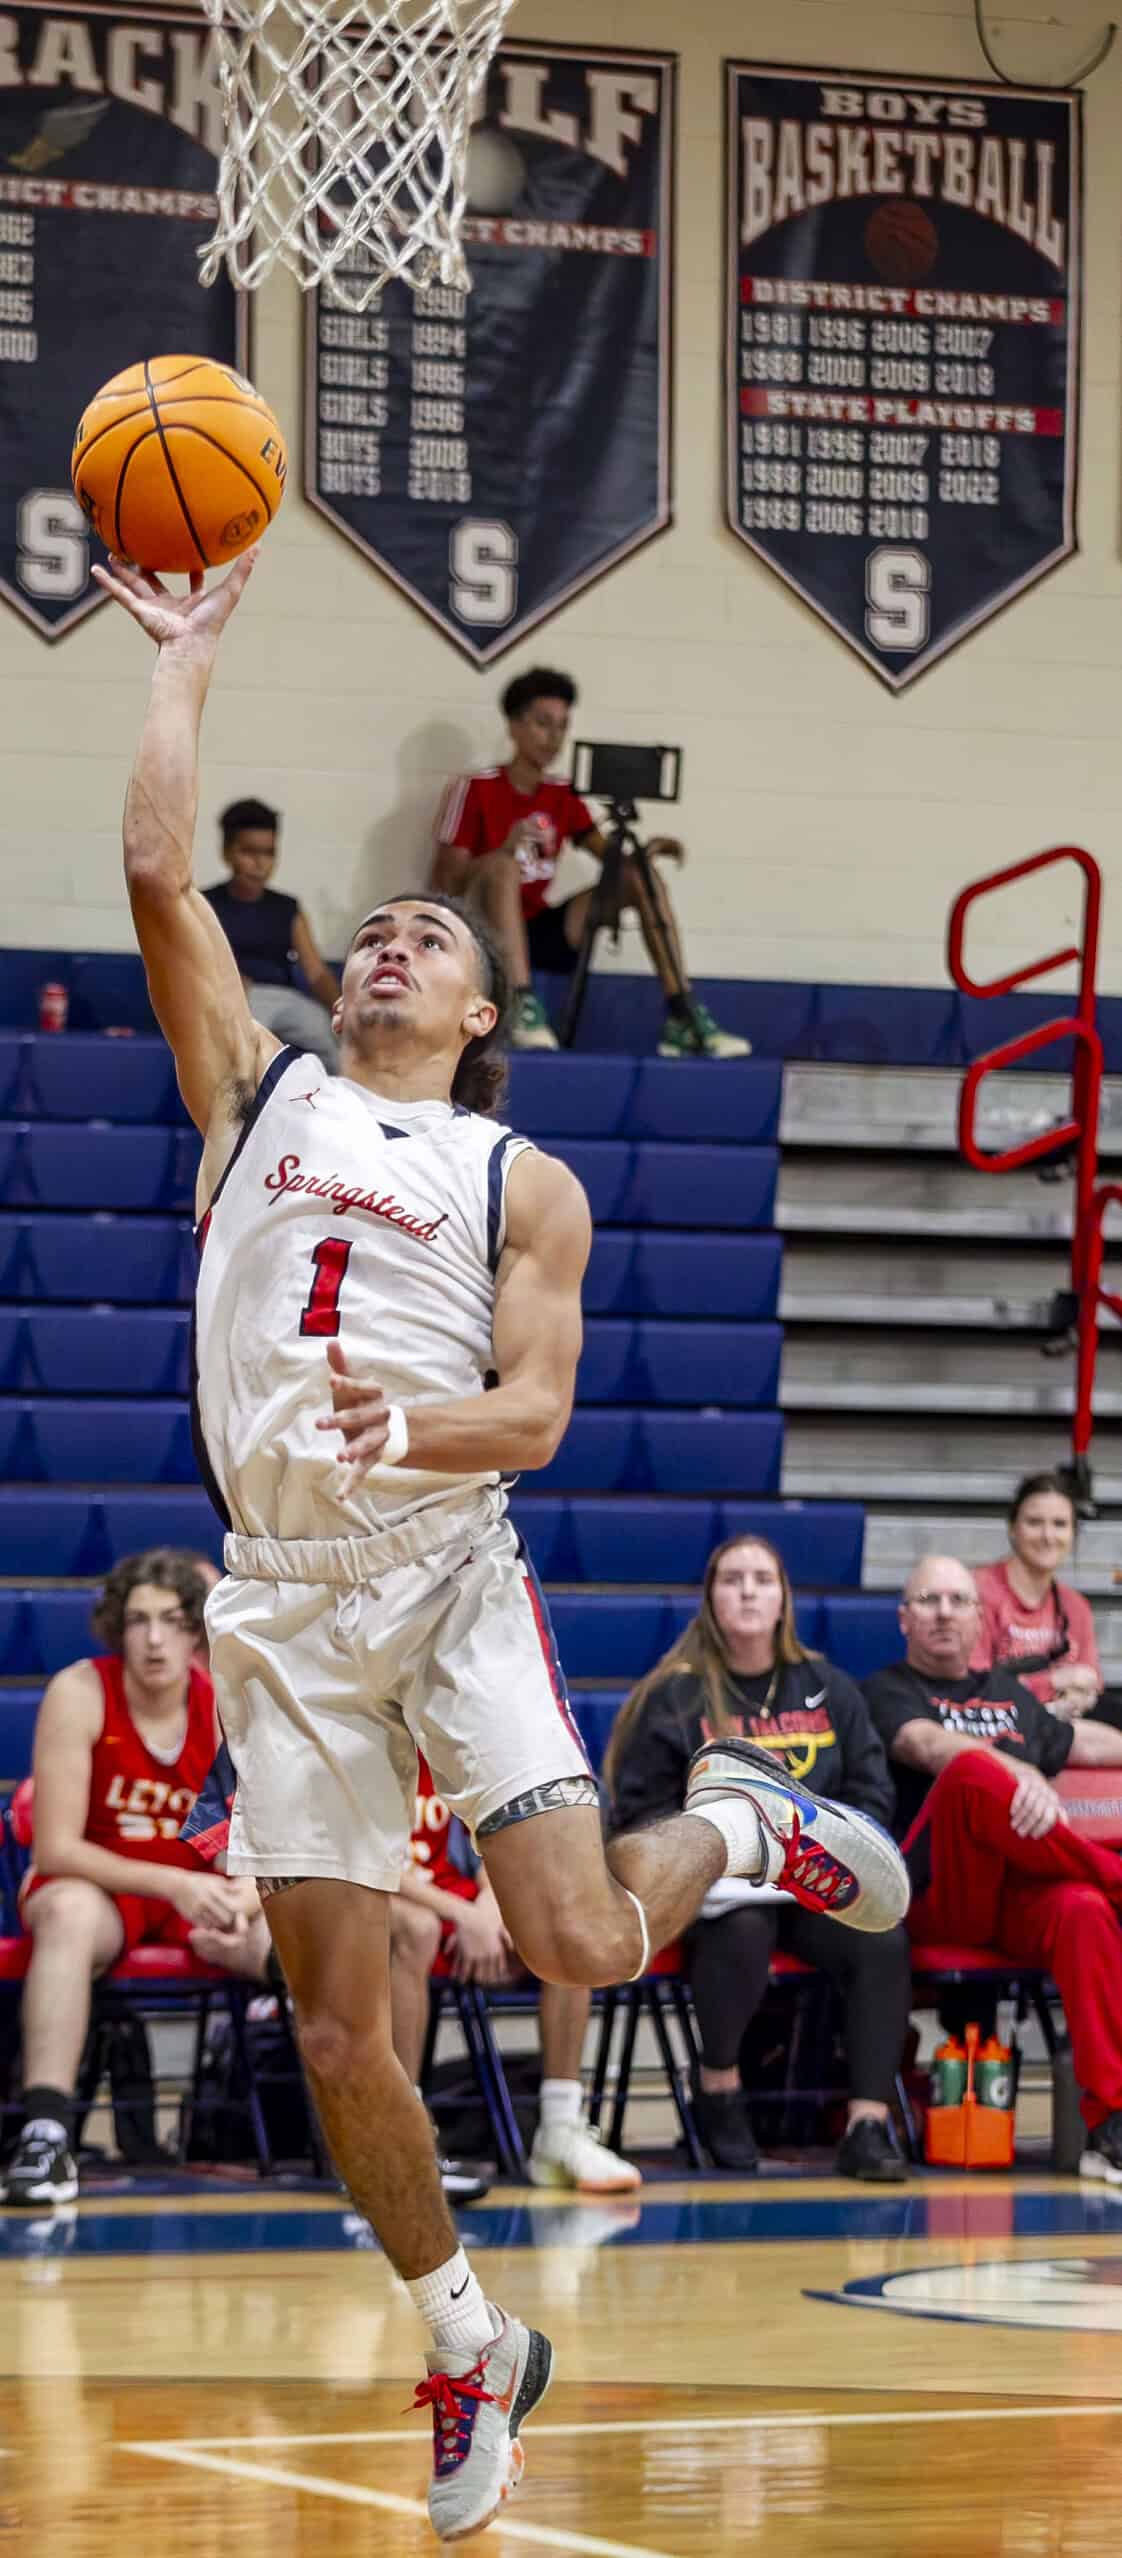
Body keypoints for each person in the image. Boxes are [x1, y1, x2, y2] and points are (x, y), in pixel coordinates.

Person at [94, 542, 906, 2545]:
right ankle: (463, 2333)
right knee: (339, 2020)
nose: (384, 945)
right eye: (367, 930)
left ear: (474, 1006)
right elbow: (156, 881)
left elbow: (536, 1418)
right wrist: (181, 666)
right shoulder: (253, 1100)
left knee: (574, 1942)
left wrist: (407, 1422)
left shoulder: (517, 1176)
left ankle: (730, 1823)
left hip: (446, 1564)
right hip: (278, 1603)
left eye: (423, 940)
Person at [605, 1537, 912, 2182]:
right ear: (710, 1598)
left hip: (809, 1880)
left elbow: (871, 1793)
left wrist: (830, 1846)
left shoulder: (827, 1686)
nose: (747, 1591)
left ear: (783, 1599)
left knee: (880, 1939)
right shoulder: (676, 1697)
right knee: (741, 1930)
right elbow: (640, 1815)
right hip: (718, 1890)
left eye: (762, 1579)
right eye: (733, 1580)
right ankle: (718, 2087)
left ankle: (867, 2123)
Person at [2, 1549, 270, 2207]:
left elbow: (244, 1834)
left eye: (173, 1622)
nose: (154, 1640)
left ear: (196, 1635)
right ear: (117, 1630)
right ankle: (45, 2133)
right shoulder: (81, 1691)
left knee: (298, 1924)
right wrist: (176, 1886)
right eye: (138, 1621)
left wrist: (247, 1892)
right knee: (65, 1912)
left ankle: (356, 2136)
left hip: (188, 1887)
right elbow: (58, 1849)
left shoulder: (219, 1703)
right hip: (103, 1887)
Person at [864, 1554, 1122, 2188]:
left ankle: (1109, 2126)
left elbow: (1082, 1741)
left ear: (982, 1619)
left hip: (1013, 1901)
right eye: (928, 1601)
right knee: (973, 1773)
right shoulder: (885, 1691)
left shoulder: (1007, 1694)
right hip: (934, 1896)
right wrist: (1014, 1770)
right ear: (904, 1619)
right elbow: (925, 1746)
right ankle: (1112, 1874)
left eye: (958, 1600)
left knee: (1085, 1911)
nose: (945, 1612)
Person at [432, 666, 750, 1058]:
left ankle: (681, 1012)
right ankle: (520, 1003)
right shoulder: (475, 788)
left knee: (640, 876)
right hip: (482, 933)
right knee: (504, 867)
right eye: (542, 724)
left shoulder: (561, 793)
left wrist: (644, 855)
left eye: (562, 727)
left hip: (540, 927)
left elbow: (610, 859)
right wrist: (501, 852)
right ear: (514, 726)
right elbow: (443, 887)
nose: (554, 738)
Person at [396, 1758, 641, 2193]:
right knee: (416, 1931)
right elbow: (361, 1865)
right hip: (390, 1905)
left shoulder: (447, 1734)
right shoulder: (354, 1731)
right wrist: (464, 1915)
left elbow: (496, 1833)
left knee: (567, 1937)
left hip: (464, 1909)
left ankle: (560, 2127)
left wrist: (489, 1905)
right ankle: (399, 2136)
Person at [202, 797, 340, 1071]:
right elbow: (194, 966)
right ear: (227, 853)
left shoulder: (288, 908)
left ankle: (334, 1106)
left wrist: (342, 1009)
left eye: (269, 853)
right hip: (235, 997)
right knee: (244, 1042)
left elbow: (315, 973)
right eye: (249, 852)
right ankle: (240, 1110)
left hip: (285, 998)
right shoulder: (205, 905)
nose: (260, 863)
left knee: (328, 1041)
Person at [970, 1470, 1102, 1718]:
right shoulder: (977, 1592)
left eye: (1060, 1524)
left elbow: (1091, 1682)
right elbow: (972, 1687)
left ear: (1073, 1534)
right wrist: (1052, 1682)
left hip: (1064, 1722)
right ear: (1012, 1528)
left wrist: (1074, 1698)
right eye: (1034, 1522)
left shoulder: (1076, 1606)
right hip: (993, 1723)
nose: (1047, 1536)